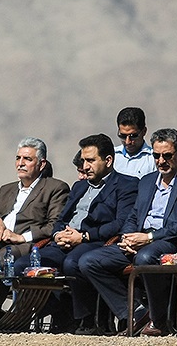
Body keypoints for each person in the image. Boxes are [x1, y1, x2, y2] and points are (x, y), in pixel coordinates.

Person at [78, 128, 177, 336]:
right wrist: (127, 238)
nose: (161, 161)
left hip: (169, 239)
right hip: (139, 238)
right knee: (88, 261)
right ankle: (135, 312)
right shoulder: (148, 181)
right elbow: (134, 215)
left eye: (167, 156)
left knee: (145, 257)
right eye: (156, 156)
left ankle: (158, 321)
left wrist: (149, 238)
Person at [25, 134, 140, 335]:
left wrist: (84, 236)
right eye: (83, 161)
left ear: (108, 160)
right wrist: (58, 234)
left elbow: (120, 223)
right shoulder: (79, 186)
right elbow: (61, 219)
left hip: (96, 242)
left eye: (90, 160)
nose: (85, 166)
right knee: (23, 265)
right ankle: (51, 314)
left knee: (73, 263)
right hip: (65, 243)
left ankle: (85, 320)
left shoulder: (126, 185)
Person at [0, 138, 70, 329]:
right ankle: (0, 321)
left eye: (27, 159)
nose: (20, 163)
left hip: (24, 246)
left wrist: (22, 237)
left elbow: (55, 225)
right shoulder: (7, 189)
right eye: (18, 158)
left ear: (41, 164)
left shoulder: (55, 188)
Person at [113, 107, 156, 178]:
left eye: (133, 136)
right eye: (123, 136)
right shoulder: (112, 156)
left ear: (144, 132)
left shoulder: (153, 159)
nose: (127, 142)